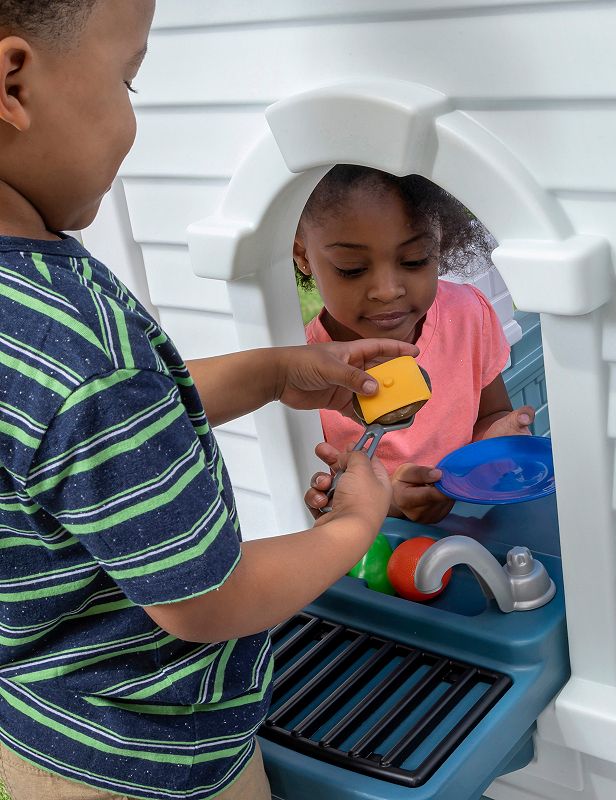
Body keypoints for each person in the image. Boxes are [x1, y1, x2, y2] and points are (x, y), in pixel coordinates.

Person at [0, 2, 418, 799]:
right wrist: (356, 523)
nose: (132, 114)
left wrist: (273, 371)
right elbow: (206, 601)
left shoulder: (30, 310)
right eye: (129, 78)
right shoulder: (76, 350)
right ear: (14, 81)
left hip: (40, 722)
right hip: (152, 759)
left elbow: (98, 440)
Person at [297, 165, 535, 525]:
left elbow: (489, 416)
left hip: (473, 526)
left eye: (415, 260)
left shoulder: (468, 315)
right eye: (352, 268)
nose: (387, 290)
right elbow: (318, 495)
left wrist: (501, 435)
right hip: (372, 553)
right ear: (303, 256)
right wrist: (388, 501)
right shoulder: (299, 372)